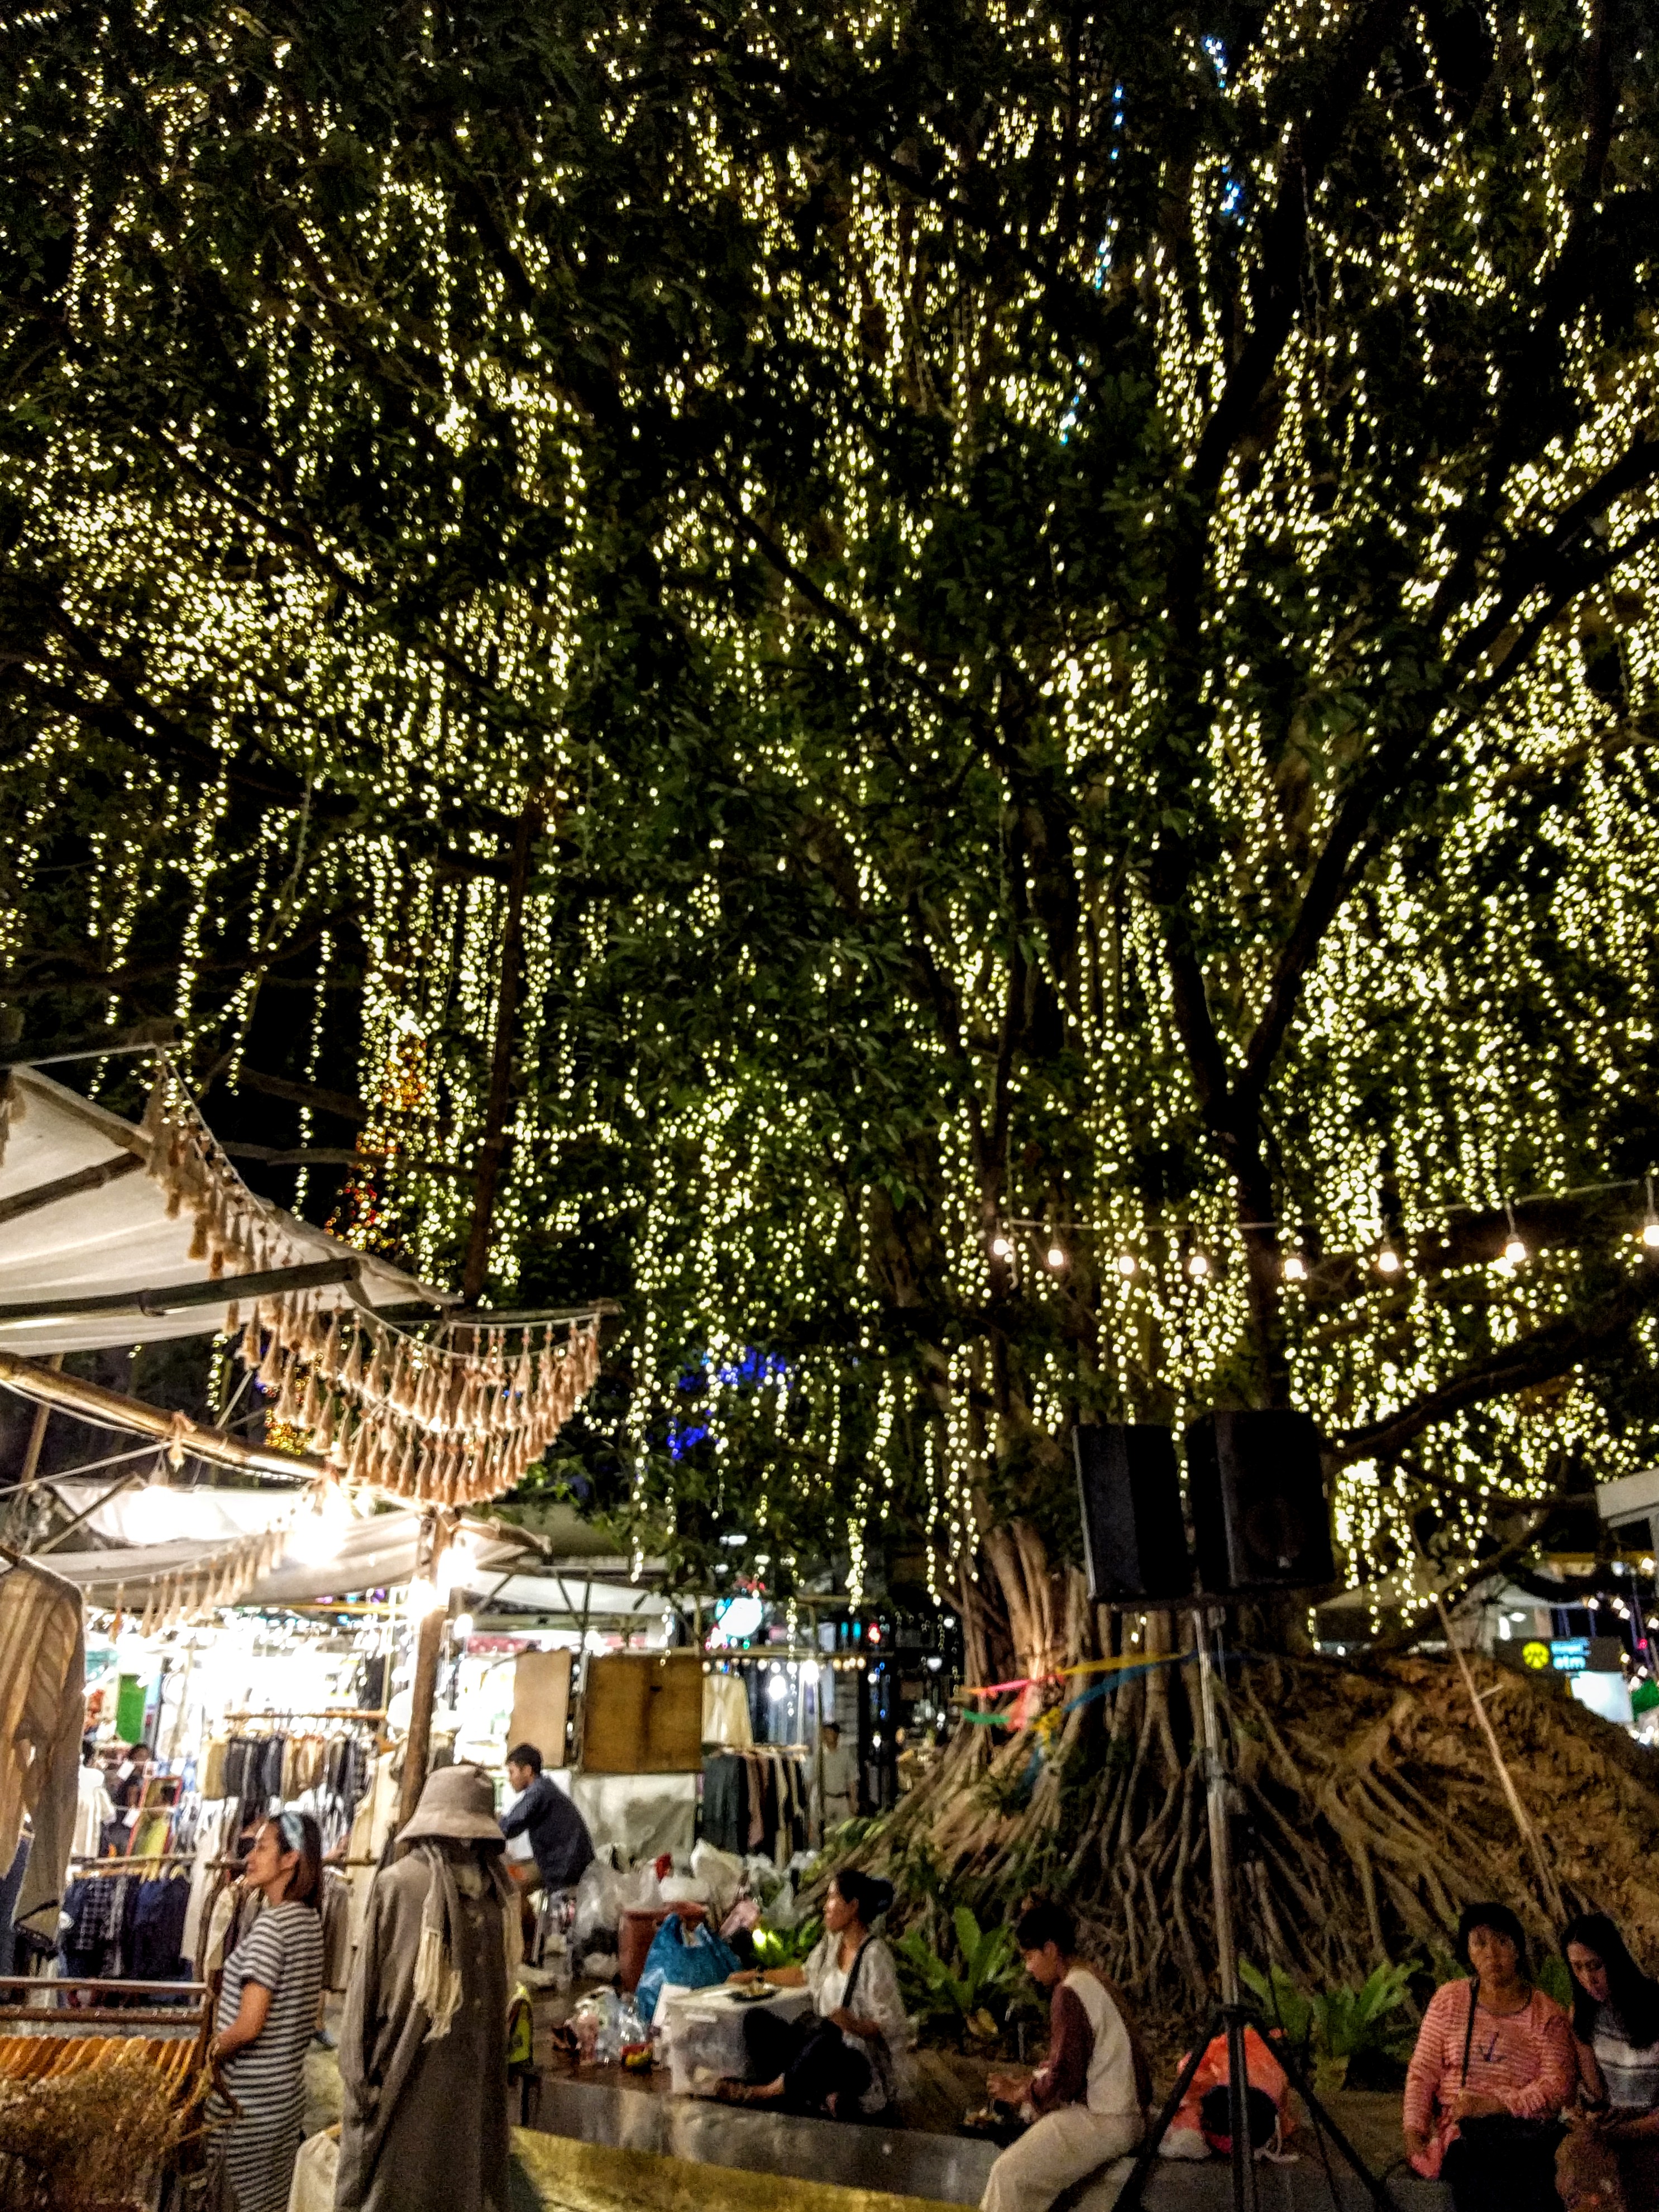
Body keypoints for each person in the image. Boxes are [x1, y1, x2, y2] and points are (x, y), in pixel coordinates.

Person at [336, 1764, 518, 2212]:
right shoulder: (401, 1885)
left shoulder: (497, 1898)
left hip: (470, 2092)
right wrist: (363, 2085)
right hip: (406, 2082)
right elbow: (364, 1998)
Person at [1403, 1901, 1576, 2212]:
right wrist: (1414, 2131)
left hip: (1523, 2134)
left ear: (1518, 1949)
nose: (1491, 1954)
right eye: (1480, 1943)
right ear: (1468, 1952)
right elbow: (1423, 2071)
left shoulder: (1546, 2014)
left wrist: (1495, 2104)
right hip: (1466, 2136)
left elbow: (1557, 2087)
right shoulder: (1450, 2001)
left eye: (1501, 1942)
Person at [979, 1899, 1148, 2212]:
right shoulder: (1092, 1977)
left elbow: (1065, 2080)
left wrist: (1021, 2092)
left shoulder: (1069, 1992)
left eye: (1030, 1957)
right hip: (1123, 2115)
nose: (1028, 1968)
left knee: (1008, 2175)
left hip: (1106, 2120)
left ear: (1051, 1949)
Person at [207, 1811, 326, 2212]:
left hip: (246, 2104)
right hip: (283, 2098)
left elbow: (248, 2026)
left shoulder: (273, 1928)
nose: (250, 1857)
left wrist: (203, 2056)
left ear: (290, 1859)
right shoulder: (308, 1921)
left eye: (262, 1847)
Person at [718, 1867, 907, 2117]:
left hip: (855, 2062)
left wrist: (855, 2025)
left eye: (832, 1898)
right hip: (820, 2047)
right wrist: (754, 1976)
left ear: (853, 1906)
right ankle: (817, 2095)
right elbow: (804, 1975)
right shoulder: (832, 1943)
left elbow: (891, 2023)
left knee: (827, 2038)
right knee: (756, 2020)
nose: (826, 1907)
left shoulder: (875, 1955)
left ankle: (763, 2093)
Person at [1558, 1912, 1659, 2212]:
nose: (1588, 1979)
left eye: (1595, 1966)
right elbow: (1598, 2094)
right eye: (1577, 1968)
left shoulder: (1654, 2007)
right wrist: (1586, 2114)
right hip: (1615, 2120)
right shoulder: (1584, 2015)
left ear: (1614, 1960)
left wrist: (1625, 2130)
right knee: (1575, 2157)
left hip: (1651, 2122)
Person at [817, 1720, 857, 1833]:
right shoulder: (820, 1756)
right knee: (827, 1832)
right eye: (824, 1733)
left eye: (829, 1733)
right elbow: (814, 1779)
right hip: (826, 1798)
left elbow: (852, 1780)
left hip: (842, 1799)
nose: (826, 1736)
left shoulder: (845, 1754)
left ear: (837, 1735)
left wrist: (853, 1801)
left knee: (844, 1830)